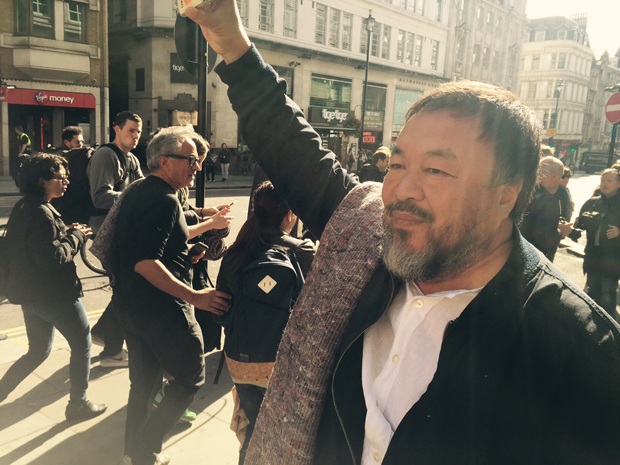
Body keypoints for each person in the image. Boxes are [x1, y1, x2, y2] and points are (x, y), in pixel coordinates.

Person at [187, 3, 620, 464]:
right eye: (397, 163)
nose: (399, 190)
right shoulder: (366, 237)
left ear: (505, 195)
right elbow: (294, 149)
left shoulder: (580, 353)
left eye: (435, 169)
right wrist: (229, 39)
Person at [113, 126, 231, 465]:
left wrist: (189, 250)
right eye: (191, 160)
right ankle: (144, 447)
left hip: (129, 306)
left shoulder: (142, 191)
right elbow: (145, 263)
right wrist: (196, 297)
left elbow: (158, 242)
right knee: (191, 377)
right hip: (161, 311)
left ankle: (135, 455)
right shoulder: (165, 200)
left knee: (144, 384)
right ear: (164, 161)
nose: (198, 166)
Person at [215, 181, 316, 464]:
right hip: (282, 364)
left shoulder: (238, 249)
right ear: (289, 215)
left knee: (254, 430)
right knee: (281, 437)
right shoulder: (301, 251)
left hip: (240, 361)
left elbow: (220, 308)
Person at [0, 154, 107, 420]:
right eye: (60, 177)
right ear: (42, 180)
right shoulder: (41, 213)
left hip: (30, 295)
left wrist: (66, 233)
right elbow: (51, 258)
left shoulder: (25, 207)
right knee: (82, 342)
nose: (66, 181)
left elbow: (35, 247)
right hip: (56, 296)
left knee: (38, 350)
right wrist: (77, 236)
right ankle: (78, 404)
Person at [87, 111, 144, 368]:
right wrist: (131, 196)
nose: (135, 136)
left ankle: (106, 339)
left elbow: (143, 186)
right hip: (106, 231)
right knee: (125, 289)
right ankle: (110, 348)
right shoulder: (105, 155)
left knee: (125, 288)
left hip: (123, 229)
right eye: (131, 130)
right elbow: (100, 197)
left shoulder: (130, 158)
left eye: (138, 132)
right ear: (116, 129)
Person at [574, 168, 620, 322]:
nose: (605, 184)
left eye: (609, 181)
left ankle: (609, 329)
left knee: (607, 294)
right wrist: (583, 222)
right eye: (603, 180)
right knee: (593, 293)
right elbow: (578, 222)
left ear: (618, 184)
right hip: (593, 257)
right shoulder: (593, 202)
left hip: (612, 260)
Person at [519, 156, 573, 261]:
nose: (560, 181)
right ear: (553, 175)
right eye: (561, 177)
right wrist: (561, 232)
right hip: (535, 258)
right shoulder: (550, 201)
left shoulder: (523, 192)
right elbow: (544, 238)